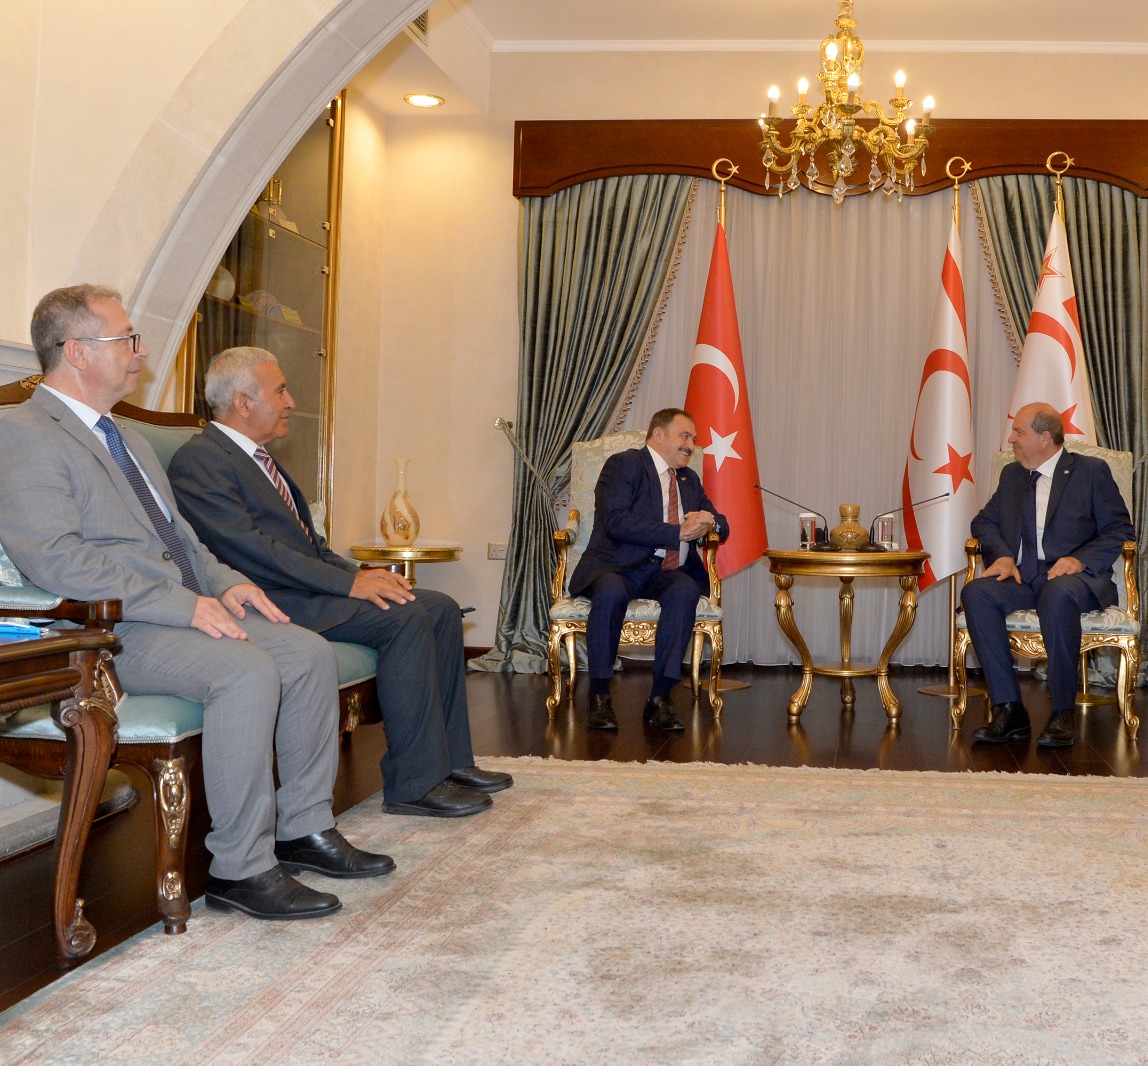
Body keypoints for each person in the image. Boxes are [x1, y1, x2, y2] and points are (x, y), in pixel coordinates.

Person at [0, 285, 393, 921]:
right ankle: (241, 868)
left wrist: (224, 582)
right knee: (246, 670)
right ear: (76, 351)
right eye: (127, 339)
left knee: (307, 654)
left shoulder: (124, 437)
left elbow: (181, 538)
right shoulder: (21, 432)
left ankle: (303, 828)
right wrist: (180, 605)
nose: (141, 351)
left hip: (177, 611)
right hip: (110, 630)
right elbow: (57, 559)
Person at [168, 347, 509, 819]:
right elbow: (250, 550)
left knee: (440, 606)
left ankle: (451, 761)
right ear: (243, 403)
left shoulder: (259, 459)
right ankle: (415, 784)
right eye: (280, 391)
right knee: (405, 616)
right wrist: (348, 587)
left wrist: (360, 575)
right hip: (270, 601)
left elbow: (311, 547)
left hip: (304, 588)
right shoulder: (200, 460)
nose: (291, 401)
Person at [963, 403, 1135, 749]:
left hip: (1072, 581)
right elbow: (984, 522)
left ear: (1044, 437)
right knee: (976, 593)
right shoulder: (1012, 475)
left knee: (1057, 595)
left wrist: (1079, 560)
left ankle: (1061, 713)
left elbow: (1120, 530)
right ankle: (1009, 709)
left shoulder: (1089, 472)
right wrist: (1004, 556)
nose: (1012, 439)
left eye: (1019, 432)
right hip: (1024, 578)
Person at [568, 408, 728, 733]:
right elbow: (616, 521)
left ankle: (660, 698)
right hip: (618, 566)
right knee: (610, 593)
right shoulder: (625, 464)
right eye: (684, 436)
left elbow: (720, 523)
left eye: (693, 439)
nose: (691, 445)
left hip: (665, 572)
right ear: (658, 435)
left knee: (685, 590)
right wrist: (678, 532)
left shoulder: (688, 479)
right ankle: (599, 696)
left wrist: (710, 523)